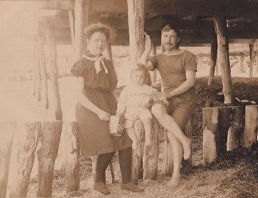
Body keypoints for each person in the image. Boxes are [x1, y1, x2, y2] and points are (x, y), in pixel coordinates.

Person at [71, 23, 144, 195]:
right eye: (96, 40)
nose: (99, 44)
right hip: (88, 109)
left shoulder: (108, 64)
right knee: (107, 142)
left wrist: (121, 107)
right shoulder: (81, 64)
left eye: (103, 41)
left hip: (109, 105)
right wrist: (97, 111)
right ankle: (98, 181)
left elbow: (112, 90)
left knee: (124, 140)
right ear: (88, 42)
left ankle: (127, 182)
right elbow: (78, 95)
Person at [139, 23, 197, 187]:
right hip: (166, 98)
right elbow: (140, 69)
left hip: (184, 99)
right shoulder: (158, 58)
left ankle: (176, 175)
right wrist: (147, 50)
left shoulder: (187, 56)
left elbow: (191, 81)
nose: (168, 40)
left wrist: (170, 93)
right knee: (156, 108)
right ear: (161, 38)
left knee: (172, 134)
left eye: (172, 36)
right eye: (165, 36)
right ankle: (185, 140)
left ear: (178, 38)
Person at [116, 64, 168, 149]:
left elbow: (156, 94)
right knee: (128, 125)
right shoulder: (127, 89)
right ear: (131, 77)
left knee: (146, 119)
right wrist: (119, 112)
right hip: (130, 110)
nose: (138, 79)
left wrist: (163, 98)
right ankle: (134, 140)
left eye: (141, 76)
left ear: (145, 78)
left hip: (142, 109)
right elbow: (122, 101)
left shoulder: (147, 88)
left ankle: (148, 138)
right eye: (135, 76)